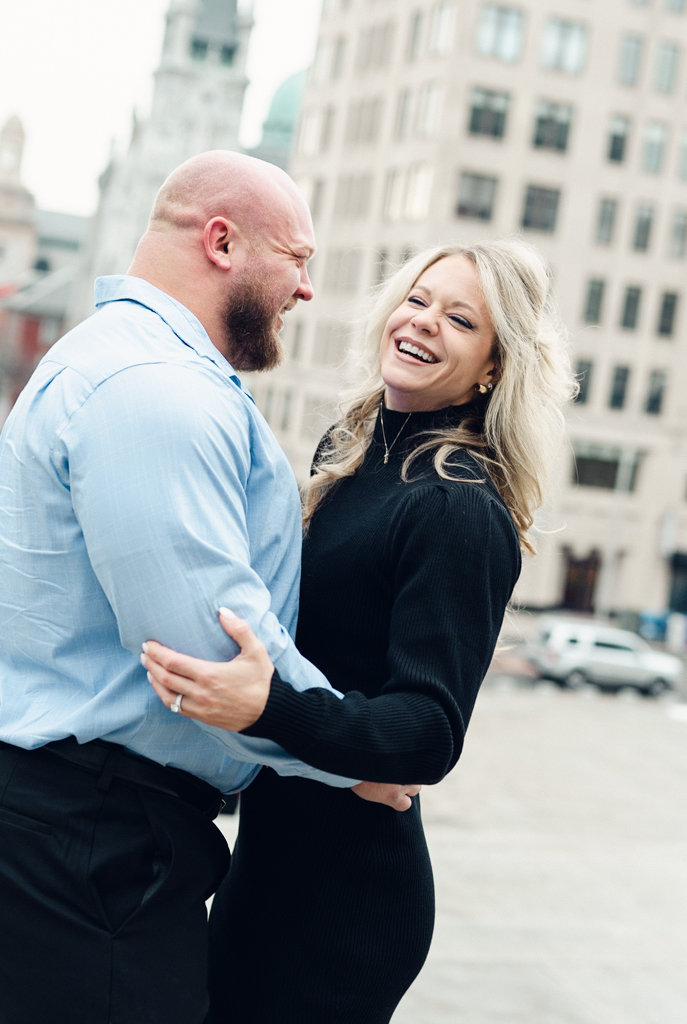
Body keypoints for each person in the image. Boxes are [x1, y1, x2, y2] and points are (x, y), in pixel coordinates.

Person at [0, 151, 414, 1024]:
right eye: (297, 259)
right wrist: (355, 757)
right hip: (96, 842)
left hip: (89, 833)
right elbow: (209, 651)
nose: (307, 290)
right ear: (222, 242)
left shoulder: (128, 364)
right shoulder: (153, 392)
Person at [143, 240, 576, 1023]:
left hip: (345, 906)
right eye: (418, 299)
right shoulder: (351, 454)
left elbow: (427, 731)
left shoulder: (455, 505)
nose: (424, 323)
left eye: (459, 319)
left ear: (491, 368)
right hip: (273, 868)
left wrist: (269, 708)